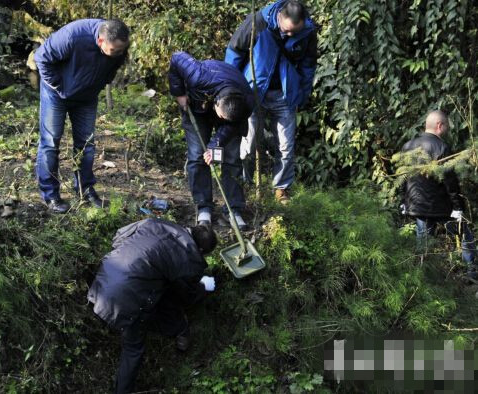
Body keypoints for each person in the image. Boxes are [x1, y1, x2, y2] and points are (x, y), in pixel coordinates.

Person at [87, 218, 217, 394]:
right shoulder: (188, 256)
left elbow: (118, 238)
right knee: (133, 349)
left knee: (163, 290)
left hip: (103, 281)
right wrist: (203, 286)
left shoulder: (154, 223)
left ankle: (179, 331)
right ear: (201, 250)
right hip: (127, 300)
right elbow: (188, 297)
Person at [225, 0, 317, 204]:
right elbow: (234, 53)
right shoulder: (257, 22)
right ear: (279, 18)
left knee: (286, 145)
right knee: (248, 142)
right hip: (253, 90)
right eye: (287, 30)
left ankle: (281, 189)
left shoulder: (308, 32)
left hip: (285, 94)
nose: (290, 35)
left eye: (295, 31)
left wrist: (301, 93)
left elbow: (308, 65)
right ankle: (245, 183)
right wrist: (230, 88)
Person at [34, 19, 129, 213]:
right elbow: (41, 57)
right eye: (114, 51)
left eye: (121, 50)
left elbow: (112, 69)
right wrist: (59, 87)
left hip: (87, 98)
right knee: (50, 143)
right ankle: (51, 196)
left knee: (86, 145)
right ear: (100, 41)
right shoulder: (73, 36)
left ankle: (85, 190)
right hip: (56, 95)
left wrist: (98, 84)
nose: (119, 54)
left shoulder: (119, 46)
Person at [168, 51, 254, 229]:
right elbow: (177, 58)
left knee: (231, 158)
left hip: (230, 115)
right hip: (197, 106)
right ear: (217, 104)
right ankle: (203, 207)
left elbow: (229, 127)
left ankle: (233, 209)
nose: (222, 120)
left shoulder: (247, 102)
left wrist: (215, 145)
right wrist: (179, 92)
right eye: (221, 116)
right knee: (197, 155)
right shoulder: (198, 75)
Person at [401, 110, 476, 279]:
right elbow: (450, 181)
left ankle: (423, 278)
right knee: (465, 234)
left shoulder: (408, 146)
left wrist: (403, 201)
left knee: (423, 245)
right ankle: (471, 272)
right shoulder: (442, 147)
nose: (448, 130)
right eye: (447, 127)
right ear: (440, 126)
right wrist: (458, 207)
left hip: (417, 206)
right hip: (442, 209)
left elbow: (403, 178)